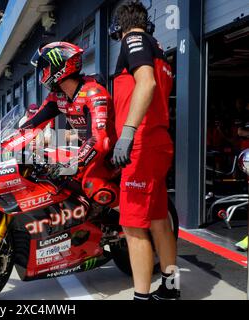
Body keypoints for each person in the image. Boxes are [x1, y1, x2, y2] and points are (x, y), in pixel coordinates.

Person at [109, 1, 178, 300]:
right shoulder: (158, 48)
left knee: (133, 226)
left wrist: (126, 134)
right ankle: (170, 288)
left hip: (142, 145)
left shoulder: (133, 40)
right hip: (158, 143)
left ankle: (141, 297)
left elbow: (146, 84)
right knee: (159, 220)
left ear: (120, 24)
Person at [21, 41, 120, 208]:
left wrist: (73, 165)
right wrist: (4, 145)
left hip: (110, 155)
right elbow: (31, 124)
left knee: (92, 185)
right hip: (88, 150)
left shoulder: (93, 92)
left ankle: (127, 221)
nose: (41, 73)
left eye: (44, 67)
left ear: (57, 67)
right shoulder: (57, 96)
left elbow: (99, 140)